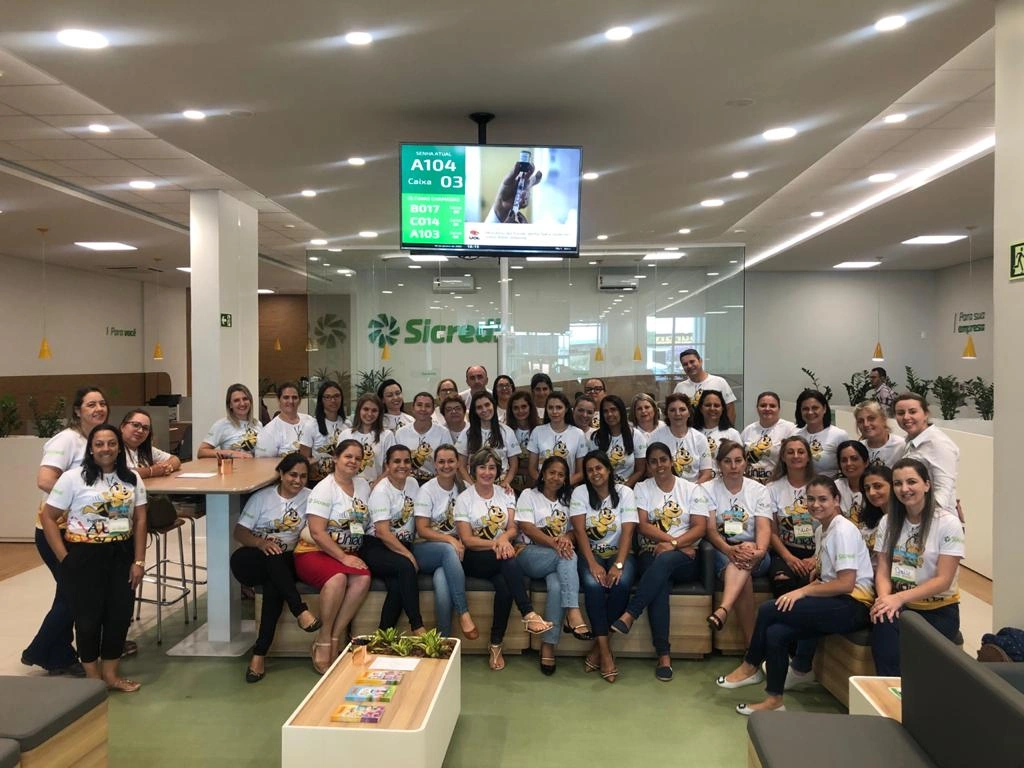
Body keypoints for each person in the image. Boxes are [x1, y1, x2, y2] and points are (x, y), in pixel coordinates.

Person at [717, 475, 874, 715]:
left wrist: (803, 591)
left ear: (836, 500)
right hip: (835, 600)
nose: (815, 504)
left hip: (854, 604)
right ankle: (774, 701)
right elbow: (829, 577)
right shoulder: (822, 530)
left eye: (823, 499)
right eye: (810, 499)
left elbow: (845, 584)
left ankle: (750, 665)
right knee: (776, 633)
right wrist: (812, 583)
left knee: (769, 609)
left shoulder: (843, 530)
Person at [40, 423, 148, 692]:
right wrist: (65, 559)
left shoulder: (132, 478)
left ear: (119, 448)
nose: (105, 449)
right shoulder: (72, 478)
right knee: (87, 619)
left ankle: (111, 675)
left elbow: (140, 519)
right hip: (84, 555)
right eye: (99, 444)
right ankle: (92, 679)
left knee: (119, 615)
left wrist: (138, 561)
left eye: (111, 443)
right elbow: (48, 517)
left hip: (121, 554)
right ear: (90, 449)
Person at [24, 386, 110, 677]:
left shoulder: (97, 439)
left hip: (84, 532)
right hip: (56, 531)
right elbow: (45, 479)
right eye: (91, 405)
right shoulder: (67, 440)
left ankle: (58, 655)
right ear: (77, 410)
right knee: (76, 593)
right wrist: (80, 499)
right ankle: (39, 649)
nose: (98, 409)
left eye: (102, 403)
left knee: (70, 593)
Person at [611, 442, 710, 682]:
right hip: (651, 553)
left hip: (686, 559)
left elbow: (700, 527)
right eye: (653, 462)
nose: (659, 465)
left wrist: (674, 546)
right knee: (660, 584)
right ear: (648, 466)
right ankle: (664, 656)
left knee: (664, 562)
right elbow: (642, 526)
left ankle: (631, 613)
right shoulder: (642, 488)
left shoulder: (691, 489)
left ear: (671, 461)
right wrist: (674, 542)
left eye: (663, 460)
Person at [455, 448, 553, 671]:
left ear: (498, 471)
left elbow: (512, 528)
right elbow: (467, 540)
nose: (487, 472)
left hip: (500, 557)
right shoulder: (464, 499)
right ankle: (528, 613)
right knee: (508, 559)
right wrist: (497, 544)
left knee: (506, 586)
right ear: (473, 470)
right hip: (475, 558)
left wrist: (503, 540)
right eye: (482, 467)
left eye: (492, 468)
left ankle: (495, 644)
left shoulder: (506, 493)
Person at [230, 454, 321, 682]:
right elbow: (239, 532)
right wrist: (261, 543)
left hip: (287, 560)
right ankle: (300, 611)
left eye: (303, 476)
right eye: (292, 475)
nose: (298, 481)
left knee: (274, 583)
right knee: (273, 561)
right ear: (281, 474)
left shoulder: (311, 497)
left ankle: (259, 654)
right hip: (253, 558)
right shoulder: (261, 497)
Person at [870, 459, 964, 675]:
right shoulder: (888, 521)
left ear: (927, 485)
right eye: (898, 483)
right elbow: (883, 569)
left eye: (911, 482)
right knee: (884, 625)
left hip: (938, 610)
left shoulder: (948, 523)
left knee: (915, 655)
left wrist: (897, 598)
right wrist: (884, 599)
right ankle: (889, 690)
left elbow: (943, 580)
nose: (904, 489)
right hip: (901, 605)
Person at [295, 440, 373, 673]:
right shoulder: (324, 488)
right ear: (336, 458)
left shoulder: (363, 485)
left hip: (347, 553)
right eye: (348, 456)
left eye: (357, 458)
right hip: (314, 552)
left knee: (363, 578)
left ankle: (337, 635)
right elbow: (317, 532)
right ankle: (323, 637)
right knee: (337, 579)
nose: (353, 461)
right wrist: (343, 557)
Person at [515, 455, 592, 675]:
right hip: (528, 553)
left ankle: (548, 646)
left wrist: (566, 538)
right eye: (552, 473)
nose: (556, 478)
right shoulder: (529, 495)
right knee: (568, 555)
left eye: (561, 474)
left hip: (557, 559)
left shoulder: (569, 499)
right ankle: (573, 611)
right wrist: (556, 544)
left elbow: (574, 530)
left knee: (558, 586)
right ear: (542, 474)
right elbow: (528, 528)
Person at [571, 450, 638, 683]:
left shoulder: (625, 493)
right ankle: (606, 653)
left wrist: (618, 564)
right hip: (591, 554)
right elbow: (579, 531)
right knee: (593, 585)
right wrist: (592, 564)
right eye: (589, 470)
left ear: (608, 470)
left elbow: (628, 531)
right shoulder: (580, 493)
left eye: (599, 468)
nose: (594, 473)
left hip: (621, 553)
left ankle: (599, 648)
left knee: (621, 584)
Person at [704, 440, 773, 648]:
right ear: (719, 464)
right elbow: (710, 530)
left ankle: (723, 609)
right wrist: (729, 549)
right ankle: (752, 648)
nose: (733, 466)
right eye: (727, 461)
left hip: (755, 551)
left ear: (745, 463)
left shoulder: (759, 490)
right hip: (722, 549)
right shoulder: (707, 489)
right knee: (742, 572)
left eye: (738, 460)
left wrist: (759, 551)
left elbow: (763, 528)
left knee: (745, 554)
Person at [413, 445, 479, 640]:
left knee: (442, 583)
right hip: (425, 548)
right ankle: (464, 612)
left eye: (451, 461)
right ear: (435, 465)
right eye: (441, 462)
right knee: (447, 550)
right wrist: (450, 539)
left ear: (458, 463)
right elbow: (422, 529)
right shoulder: (427, 490)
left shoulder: (465, 488)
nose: (446, 465)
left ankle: (444, 640)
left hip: (453, 553)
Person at [363, 445, 425, 634]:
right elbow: (382, 532)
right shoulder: (381, 491)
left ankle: (382, 635)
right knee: (406, 567)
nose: (402, 465)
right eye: (397, 461)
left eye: (406, 461)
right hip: (377, 546)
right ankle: (417, 626)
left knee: (398, 586)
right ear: (387, 465)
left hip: (399, 546)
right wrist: (409, 555)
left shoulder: (413, 483)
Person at [894, 393, 960, 519]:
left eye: (912, 412)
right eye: (900, 413)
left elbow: (943, 491)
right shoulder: (909, 442)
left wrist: (921, 520)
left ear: (925, 414)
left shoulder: (938, 443)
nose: (906, 417)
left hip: (936, 519)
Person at [767, 436, 817, 597]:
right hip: (785, 550)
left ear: (808, 457)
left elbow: (832, 527)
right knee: (782, 580)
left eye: (801, 452)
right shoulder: (772, 488)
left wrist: (816, 557)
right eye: (790, 452)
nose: (796, 456)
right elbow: (772, 532)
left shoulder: (821, 485)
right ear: (783, 457)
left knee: (810, 580)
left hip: (817, 551)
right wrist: (788, 558)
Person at [456, 392, 519, 490]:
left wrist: (504, 484)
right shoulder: (467, 433)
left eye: (487, 405)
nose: (484, 409)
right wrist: (472, 486)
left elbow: (514, 465)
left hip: (501, 484)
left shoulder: (507, 431)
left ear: (493, 405)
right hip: (475, 485)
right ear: (475, 411)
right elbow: (461, 466)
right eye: (479, 407)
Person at [527, 391, 587, 485]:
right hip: (543, 487)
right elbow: (532, 469)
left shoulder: (578, 434)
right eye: (550, 407)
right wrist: (546, 484)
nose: (554, 412)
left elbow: (580, 472)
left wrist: (563, 484)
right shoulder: (537, 431)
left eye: (559, 407)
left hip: (568, 487)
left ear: (566, 409)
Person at [651, 393, 713, 484]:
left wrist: (692, 490)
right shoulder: (656, 438)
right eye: (672, 410)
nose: (677, 414)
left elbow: (707, 473)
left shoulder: (700, 439)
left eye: (682, 409)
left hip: (694, 488)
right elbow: (650, 471)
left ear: (689, 413)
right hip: (664, 488)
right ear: (667, 413)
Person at [590, 394, 647, 487]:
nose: (609, 414)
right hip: (602, 488)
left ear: (621, 411)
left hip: (628, 488)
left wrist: (625, 488)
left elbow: (640, 470)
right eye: (605, 411)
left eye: (613, 410)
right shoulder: (596, 438)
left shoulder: (636, 435)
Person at [741, 391, 795, 484]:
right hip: (752, 484)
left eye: (772, 406)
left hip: (778, 484)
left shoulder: (790, 429)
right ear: (757, 408)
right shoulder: (748, 430)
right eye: (763, 405)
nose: (767, 409)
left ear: (779, 409)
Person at [339, 393, 395, 483]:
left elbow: (389, 469)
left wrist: (373, 487)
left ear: (379, 413)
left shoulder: (387, 435)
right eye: (366, 409)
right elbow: (339, 466)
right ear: (359, 410)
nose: (369, 414)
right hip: (349, 486)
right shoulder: (345, 435)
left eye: (374, 410)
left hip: (376, 487)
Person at [395, 392, 450, 482]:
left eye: (427, 406)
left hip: (435, 481)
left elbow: (448, 461)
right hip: (406, 481)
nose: (423, 409)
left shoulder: (443, 433)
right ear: (413, 408)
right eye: (419, 405)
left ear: (433, 410)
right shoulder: (400, 433)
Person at [793, 389, 848, 478]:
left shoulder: (839, 435)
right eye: (805, 409)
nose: (810, 412)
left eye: (815, 408)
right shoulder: (795, 436)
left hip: (831, 484)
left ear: (824, 409)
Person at [197, 383, 262, 458]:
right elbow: (201, 452)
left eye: (245, 399)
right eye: (236, 400)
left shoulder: (257, 424)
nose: (242, 403)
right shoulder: (221, 425)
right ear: (230, 405)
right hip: (232, 465)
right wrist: (230, 453)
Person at [673, 348, 737, 424]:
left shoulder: (719, 382)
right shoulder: (680, 387)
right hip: (690, 430)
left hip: (716, 430)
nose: (689, 366)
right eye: (685, 364)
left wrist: (727, 429)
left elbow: (730, 409)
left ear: (700, 361)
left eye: (692, 362)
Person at [255, 382, 315, 459]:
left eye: (294, 397)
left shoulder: (310, 421)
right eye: (286, 397)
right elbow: (263, 462)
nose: (291, 401)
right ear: (278, 400)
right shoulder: (269, 431)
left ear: (299, 400)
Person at [693, 389, 742, 479]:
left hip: (723, 484)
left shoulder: (732, 434)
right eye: (708, 405)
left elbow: (740, 463)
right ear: (700, 408)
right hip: (696, 484)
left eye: (716, 405)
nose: (712, 408)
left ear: (722, 408)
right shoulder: (691, 433)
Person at [119, 409, 181, 479]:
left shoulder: (145, 449)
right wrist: (151, 471)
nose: (140, 430)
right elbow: (120, 473)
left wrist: (166, 467)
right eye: (136, 425)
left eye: (145, 428)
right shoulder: (114, 448)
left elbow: (175, 459)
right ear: (122, 427)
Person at [310, 380, 349, 481]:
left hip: (343, 479)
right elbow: (304, 458)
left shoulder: (348, 424)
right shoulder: (311, 425)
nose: (333, 400)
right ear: (321, 400)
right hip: (318, 480)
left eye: (336, 396)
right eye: (328, 397)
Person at [505, 390, 539, 493]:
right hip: (510, 485)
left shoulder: (540, 430)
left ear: (530, 407)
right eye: (516, 408)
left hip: (535, 485)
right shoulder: (506, 431)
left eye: (524, 406)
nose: (520, 411)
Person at [854, 400, 904, 468]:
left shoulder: (901, 446)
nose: (866, 424)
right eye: (860, 421)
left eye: (871, 419)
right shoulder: (858, 449)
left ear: (883, 419)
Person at [835, 440, 869, 532]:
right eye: (844, 460)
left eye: (854, 459)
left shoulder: (874, 487)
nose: (849, 463)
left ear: (866, 462)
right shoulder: (836, 487)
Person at [859, 464, 892, 553]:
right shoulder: (868, 518)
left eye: (878, 486)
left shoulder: (903, 520)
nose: (871, 493)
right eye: (867, 488)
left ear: (893, 486)